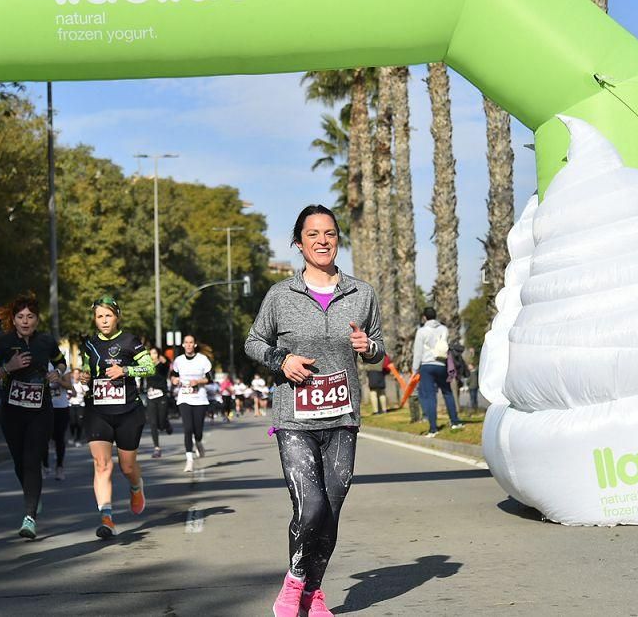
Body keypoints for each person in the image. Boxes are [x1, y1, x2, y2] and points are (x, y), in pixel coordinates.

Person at [245, 205, 384, 617]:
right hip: (294, 418)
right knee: (312, 507)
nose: (322, 240)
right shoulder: (281, 295)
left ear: (338, 239)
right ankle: (293, 585)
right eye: (312, 234)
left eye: (330, 233)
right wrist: (281, 359)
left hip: (342, 416)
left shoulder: (362, 294)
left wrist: (369, 348)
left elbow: (377, 346)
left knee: (333, 508)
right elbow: (253, 342)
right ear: (298, 242)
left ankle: (314, 591)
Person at [0, 293, 67, 540]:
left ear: (38, 320)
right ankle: (33, 495)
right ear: (14, 320)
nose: (25, 321)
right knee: (20, 462)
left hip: (41, 411)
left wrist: (57, 374)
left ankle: (30, 516)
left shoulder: (46, 341)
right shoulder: (1, 342)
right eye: (20, 317)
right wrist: (9, 367)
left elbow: (61, 362)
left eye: (30, 316)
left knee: (32, 461)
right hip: (12, 411)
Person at [79, 296, 153, 538]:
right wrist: (83, 377)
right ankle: (107, 518)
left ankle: (136, 486)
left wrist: (126, 370)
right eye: (99, 316)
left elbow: (150, 367)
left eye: (108, 315)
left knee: (127, 466)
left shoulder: (130, 340)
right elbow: (88, 369)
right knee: (101, 465)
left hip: (128, 411)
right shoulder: (89, 344)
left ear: (117, 316)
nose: (104, 321)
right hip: (97, 410)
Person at [411, 306, 464, 438]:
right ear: (435, 316)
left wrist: (414, 369)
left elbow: (417, 352)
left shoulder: (421, 331)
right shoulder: (444, 329)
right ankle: (455, 421)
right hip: (441, 364)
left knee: (430, 396)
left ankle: (433, 428)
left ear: (424, 317)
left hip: (427, 366)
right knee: (447, 392)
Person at [170, 335, 212, 473]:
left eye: (191, 342)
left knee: (197, 430)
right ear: (183, 345)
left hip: (200, 398)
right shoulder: (179, 360)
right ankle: (189, 460)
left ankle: (198, 442)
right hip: (184, 398)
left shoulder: (202, 360)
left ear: (194, 345)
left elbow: (210, 379)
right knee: (188, 429)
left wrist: (198, 381)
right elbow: (173, 375)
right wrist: (174, 380)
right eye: (186, 342)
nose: (188, 345)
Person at [43, 362, 71, 481]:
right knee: (43, 438)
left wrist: (58, 379)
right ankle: (44, 465)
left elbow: (69, 386)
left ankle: (59, 467)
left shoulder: (63, 366)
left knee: (59, 438)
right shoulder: (40, 361)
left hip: (61, 407)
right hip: (43, 407)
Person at [144, 348, 171, 458]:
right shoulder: (147, 367)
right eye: (150, 353)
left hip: (161, 396)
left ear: (158, 354)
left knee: (160, 423)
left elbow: (167, 365)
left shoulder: (162, 366)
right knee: (153, 423)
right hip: (151, 397)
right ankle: (157, 448)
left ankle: (166, 424)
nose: (152, 355)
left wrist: (164, 361)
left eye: (154, 353)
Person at [69, 369, 86, 447]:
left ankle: (78, 439)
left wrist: (83, 391)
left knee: (79, 423)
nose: (76, 375)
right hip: (71, 405)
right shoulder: (69, 382)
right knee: (72, 423)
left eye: (78, 373)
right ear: (72, 374)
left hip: (80, 405)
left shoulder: (82, 382)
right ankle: (73, 436)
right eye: (75, 373)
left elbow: (87, 392)